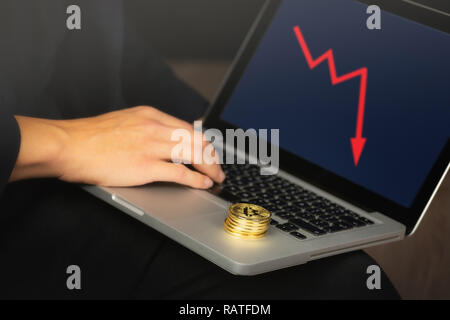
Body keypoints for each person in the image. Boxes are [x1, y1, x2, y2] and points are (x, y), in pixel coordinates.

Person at [0, 0, 399, 299]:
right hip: (23, 223)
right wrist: (69, 144)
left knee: (347, 280)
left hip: (86, 190)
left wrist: (219, 136)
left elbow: (121, 62)